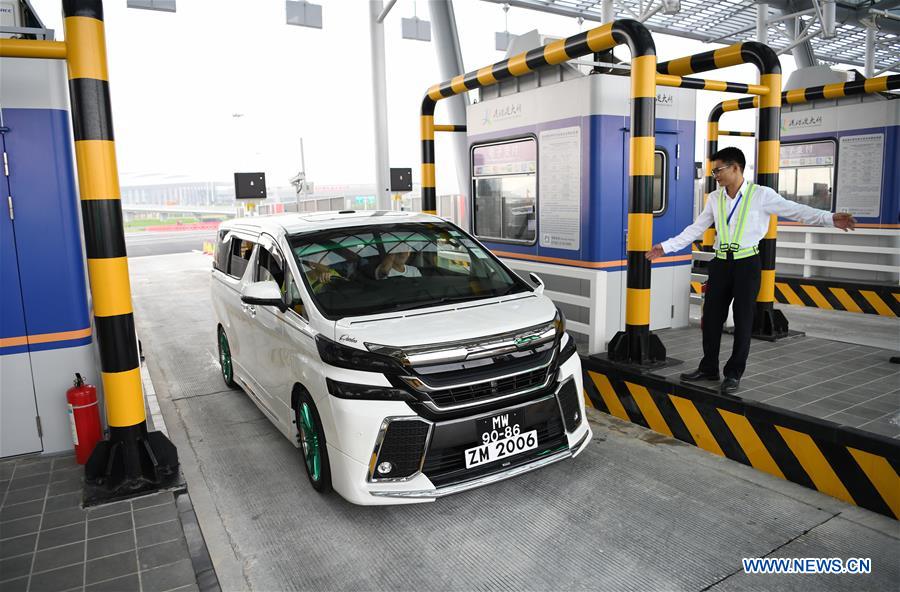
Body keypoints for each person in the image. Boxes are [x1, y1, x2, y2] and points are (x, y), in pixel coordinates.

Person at [646, 147, 856, 394]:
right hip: (721, 263)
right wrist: (667, 246)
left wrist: (829, 218)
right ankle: (709, 367)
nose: (715, 175)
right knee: (711, 319)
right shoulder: (715, 198)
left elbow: (796, 210)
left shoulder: (761, 195)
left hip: (747, 264)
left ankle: (733, 374)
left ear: (736, 168)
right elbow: (696, 228)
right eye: (714, 171)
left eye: (719, 170)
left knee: (744, 321)